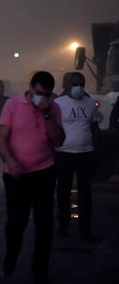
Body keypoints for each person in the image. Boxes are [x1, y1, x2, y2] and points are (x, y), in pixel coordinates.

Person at [0, 71, 65, 284]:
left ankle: (40, 271)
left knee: (44, 222)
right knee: (17, 222)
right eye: (38, 93)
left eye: (46, 94)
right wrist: (10, 160)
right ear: (30, 88)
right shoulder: (13, 105)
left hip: (44, 171)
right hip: (16, 174)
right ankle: (12, 253)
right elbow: (1, 138)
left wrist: (46, 114)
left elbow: (58, 140)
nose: (41, 98)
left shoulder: (53, 108)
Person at [54, 72, 102, 241]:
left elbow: (95, 127)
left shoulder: (90, 103)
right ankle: (63, 226)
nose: (78, 87)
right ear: (65, 85)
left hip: (85, 155)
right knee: (63, 192)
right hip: (64, 154)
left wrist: (96, 151)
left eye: (81, 83)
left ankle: (85, 229)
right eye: (74, 84)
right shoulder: (57, 104)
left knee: (85, 194)